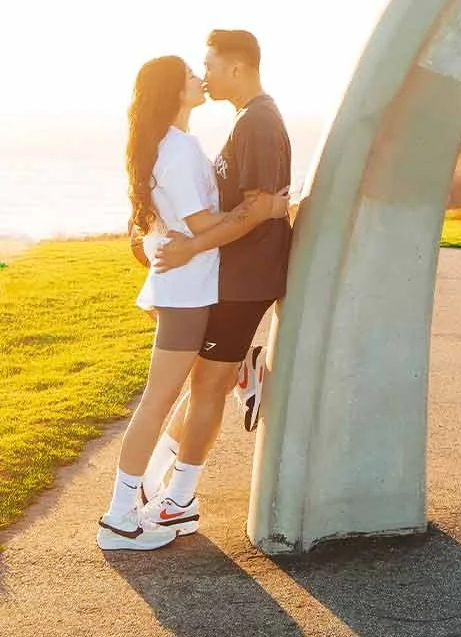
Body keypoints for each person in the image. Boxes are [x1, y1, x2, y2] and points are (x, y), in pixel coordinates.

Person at [138, 29, 292, 538]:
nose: (203, 74)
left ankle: (179, 498)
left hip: (246, 279)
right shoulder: (246, 121)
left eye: (209, 63)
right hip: (231, 276)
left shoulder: (260, 123)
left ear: (237, 67)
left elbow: (252, 213)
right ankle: (158, 478)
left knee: (206, 387)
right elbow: (247, 205)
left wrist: (191, 247)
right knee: (206, 383)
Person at [97, 56, 221, 550]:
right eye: (190, 73)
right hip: (187, 293)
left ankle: (146, 488)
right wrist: (270, 208)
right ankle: (119, 517)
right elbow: (202, 225)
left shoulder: (167, 146)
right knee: (157, 400)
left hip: (184, 290)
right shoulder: (181, 148)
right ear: (173, 91)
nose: (199, 78)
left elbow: (165, 226)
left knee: (186, 393)